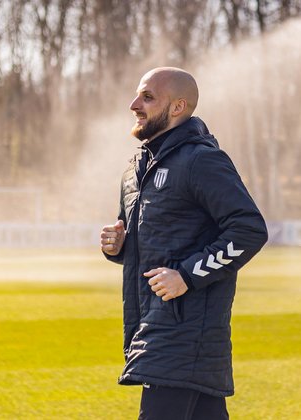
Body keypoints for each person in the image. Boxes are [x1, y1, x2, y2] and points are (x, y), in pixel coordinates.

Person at [100, 67, 268, 420]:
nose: (134, 104)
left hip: (183, 334)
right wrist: (118, 246)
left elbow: (249, 229)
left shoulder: (201, 160)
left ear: (178, 107)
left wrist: (186, 276)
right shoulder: (136, 167)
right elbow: (154, 241)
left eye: (147, 97)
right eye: (137, 95)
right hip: (151, 323)